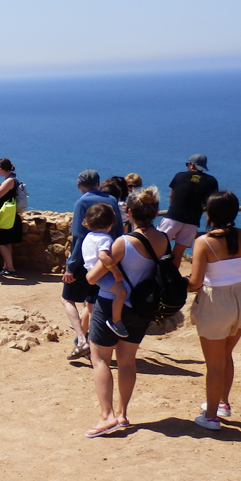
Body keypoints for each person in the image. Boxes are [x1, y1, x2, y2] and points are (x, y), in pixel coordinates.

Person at [186, 191, 241, 430]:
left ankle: (212, 416)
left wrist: (177, 284)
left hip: (216, 302)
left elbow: (195, 282)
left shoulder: (203, 242)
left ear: (209, 213)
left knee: (214, 363)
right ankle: (223, 403)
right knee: (226, 355)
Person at [83, 187, 167, 437]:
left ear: (129, 212)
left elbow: (93, 276)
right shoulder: (163, 239)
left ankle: (106, 416)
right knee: (127, 361)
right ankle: (122, 413)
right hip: (142, 306)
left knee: (99, 359)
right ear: (154, 212)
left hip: (111, 304)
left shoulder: (122, 242)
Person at [60, 170, 122, 361]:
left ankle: (81, 340)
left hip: (85, 262)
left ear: (79, 185)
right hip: (107, 263)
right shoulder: (112, 200)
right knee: (95, 303)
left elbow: (78, 235)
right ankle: (98, 344)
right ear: (98, 183)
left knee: (67, 299)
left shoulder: (82, 202)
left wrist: (71, 266)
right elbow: (118, 230)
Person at [157, 154, 218, 267]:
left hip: (173, 217)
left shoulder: (179, 176)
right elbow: (211, 202)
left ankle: (151, 277)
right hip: (192, 222)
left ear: (191, 165)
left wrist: (174, 208)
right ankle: (172, 280)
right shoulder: (211, 181)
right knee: (178, 253)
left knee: (155, 247)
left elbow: (172, 195)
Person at [81, 204, 130, 339]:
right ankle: (116, 321)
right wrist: (114, 271)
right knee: (121, 292)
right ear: (110, 224)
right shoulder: (105, 239)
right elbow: (103, 257)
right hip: (102, 275)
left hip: (90, 271)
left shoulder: (89, 236)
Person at [0, 158, 23, 277]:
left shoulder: (9, 181)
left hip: (4, 215)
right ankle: (6, 266)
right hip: (8, 214)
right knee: (7, 241)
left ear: (2, 169)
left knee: (0, 241)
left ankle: (11, 268)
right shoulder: (10, 179)